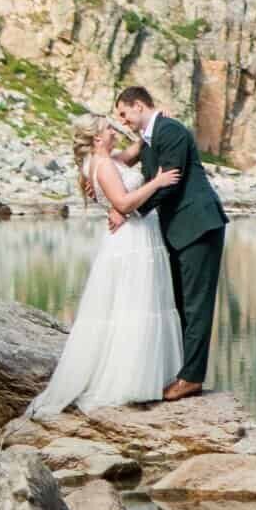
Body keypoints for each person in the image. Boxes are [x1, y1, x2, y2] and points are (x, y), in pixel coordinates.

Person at [29, 117, 183, 416]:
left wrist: (154, 120)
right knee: (135, 308)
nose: (115, 132)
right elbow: (124, 204)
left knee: (134, 306)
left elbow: (137, 148)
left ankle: (140, 376)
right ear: (98, 139)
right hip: (132, 241)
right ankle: (130, 382)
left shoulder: (105, 161)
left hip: (135, 238)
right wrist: (157, 182)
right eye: (109, 129)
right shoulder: (103, 165)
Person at [113, 86, 228, 402]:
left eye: (124, 113)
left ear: (138, 106)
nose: (122, 120)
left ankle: (191, 378)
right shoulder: (151, 138)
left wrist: (131, 212)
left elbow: (170, 184)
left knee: (196, 304)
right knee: (181, 302)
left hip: (198, 225)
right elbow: (138, 170)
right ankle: (183, 371)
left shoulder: (171, 130)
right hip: (179, 229)